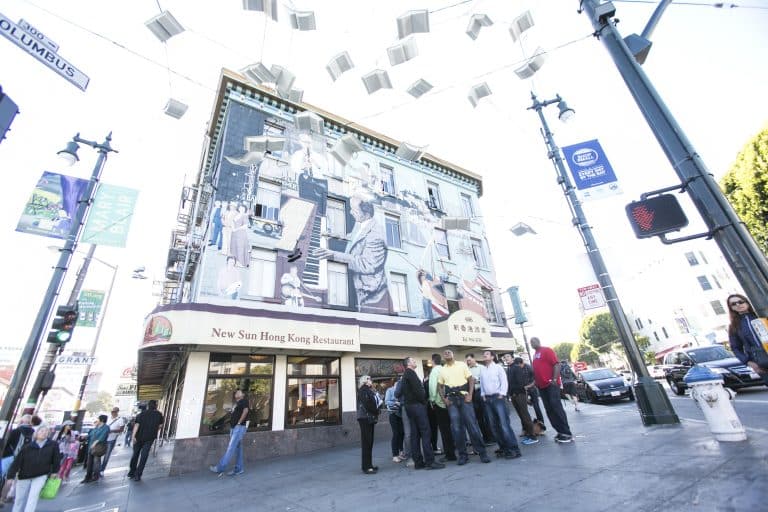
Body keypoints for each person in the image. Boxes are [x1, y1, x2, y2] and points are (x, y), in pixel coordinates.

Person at [314, 192, 390, 313]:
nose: (350, 212)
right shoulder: (361, 222)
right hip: (357, 283)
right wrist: (334, 235)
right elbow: (355, 238)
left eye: (354, 210)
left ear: (366, 213)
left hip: (369, 296)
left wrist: (333, 255)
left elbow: (366, 264)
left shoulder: (376, 235)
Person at [437, 349, 491, 465]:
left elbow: (470, 379)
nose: (447, 353)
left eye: (449, 352)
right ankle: (463, 455)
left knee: (472, 426)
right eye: (445, 353)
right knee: (457, 429)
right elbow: (439, 386)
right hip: (451, 400)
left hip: (464, 398)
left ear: (453, 354)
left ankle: (482, 453)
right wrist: (444, 399)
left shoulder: (462, 365)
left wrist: (470, 394)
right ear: (443, 357)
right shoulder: (442, 370)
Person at [401, 357, 444, 470]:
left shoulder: (405, 375)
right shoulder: (411, 374)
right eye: (413, 361)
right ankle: (430, 461)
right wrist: (424, 402)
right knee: (426, 432)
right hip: (417, 407)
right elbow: (418, 391)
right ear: (409, 363)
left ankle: (418, 462)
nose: (415, 362)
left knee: (415, 435)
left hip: (410, 407)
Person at [479, 350, 522, 459]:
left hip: (498, 397)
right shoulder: (483, 369)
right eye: (484, 354)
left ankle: (514, 449)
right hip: (487, 399)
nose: (484, 355)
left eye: (487, 354)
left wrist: (502, 394)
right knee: (493, 425)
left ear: (492, 357)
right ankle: (503, 448)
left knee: (504, 424)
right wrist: (483, 394)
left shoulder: (498, 367)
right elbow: (482, 383)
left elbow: (504, 381)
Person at [7, 425, 60, 512]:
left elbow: (56, 459)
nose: (44, 433)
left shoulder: (53, 445)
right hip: (24, 475)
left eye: (46, 431)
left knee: (33, 496)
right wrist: (11, 475)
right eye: (42, 431)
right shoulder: (27, 446)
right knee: (19, 499)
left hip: (41, 474)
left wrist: (55, 471)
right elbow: (18, 461)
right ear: (36, 433)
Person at [531, 337, 574, 443]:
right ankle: (559, 431)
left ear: (539, 341)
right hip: (541, 387)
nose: (532, 343)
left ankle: (567, 433)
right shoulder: (535, 355)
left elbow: (556, 364)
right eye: (531, 342)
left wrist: (554, 379)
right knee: (549, 409)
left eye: (534, 341)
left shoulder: (547, 350)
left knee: (556, 407)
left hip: (551, 385)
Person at [727, 293, 768, 385]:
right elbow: (735, 348)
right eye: (733, 304)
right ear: (731, 308)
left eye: (740, 302)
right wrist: (748, 362)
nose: (738, 305)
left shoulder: (761, 315)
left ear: (747, 302)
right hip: (761, 363)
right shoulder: (734, 326)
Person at [209, 389, 250, 476]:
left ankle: (220, 467)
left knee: (231, 448)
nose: (236, 393)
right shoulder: (237, 403)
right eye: (236, 392)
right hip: (234, 428)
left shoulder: (244, 401)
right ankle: (239, 469)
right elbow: (235, 413)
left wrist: (239, 423)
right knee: (238, 450)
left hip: (238, 428)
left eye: (239, 392)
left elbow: (245, 411)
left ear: (242, 395)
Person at [427, 353, 456, 462]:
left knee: (444, 430)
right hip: (450, 401)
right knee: (452, 427)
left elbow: (432, 387)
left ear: (432, 361)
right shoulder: (445, 369)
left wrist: (432, 400)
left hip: (440, 403)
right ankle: (454, 448)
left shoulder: (434, 371)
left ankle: (450, 454)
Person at [1, 415, 34, 504]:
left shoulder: (16, 431)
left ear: (22, 421)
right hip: (22, 459)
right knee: (11, 478)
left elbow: (7, 443)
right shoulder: (33, 432)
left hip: (9, 456)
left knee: (2, 475)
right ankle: (3, 498)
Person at [128, 400, 164, 482]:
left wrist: (133, 436)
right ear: (156, 406)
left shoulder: (141, 414)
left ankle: (131, 472)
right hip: (150, 438)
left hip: (138, 437)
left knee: (135, 455)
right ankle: (138, 475)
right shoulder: (159, 415)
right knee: (144, 456)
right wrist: (154, 430)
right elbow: (160, 426)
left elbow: (137, 425)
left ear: (148, 406)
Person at [507, 357, 539, 445]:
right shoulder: (509, 369)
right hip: (514, 395)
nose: (506, 359)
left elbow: (521, 382)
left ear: (512, 359)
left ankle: (533, 436)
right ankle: (528, 434)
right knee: (521, 415)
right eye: (504, 357)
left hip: (520, 394)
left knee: (525, 415)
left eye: (507, 357)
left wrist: (517, 391)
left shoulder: (517, 368)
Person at [466, 353, 494, 444]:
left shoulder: (481, 367)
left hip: (481, 392)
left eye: (469, 360)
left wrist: (476, 379)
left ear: (474, 359)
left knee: (487, 415)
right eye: (467, 360)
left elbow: (486, 379)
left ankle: (492, 437)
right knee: (479, 418)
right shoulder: (466, 369)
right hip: (472, 394)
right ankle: (485, 437)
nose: (468, 361)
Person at [356, 375, 379, 474]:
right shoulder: (363, 390)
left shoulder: (367, 390)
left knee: (369, 442)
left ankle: (369, 465)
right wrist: (376, 410)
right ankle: (366, 467)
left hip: (366, 418)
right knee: (367, 442)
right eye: (369, 379)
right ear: (365, 381)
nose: (371, 381)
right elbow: (368, 404)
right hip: (365, 418)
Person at [82, 415, 108, 483]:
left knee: (96, 461)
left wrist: (94, 443)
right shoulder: (96, 427)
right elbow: (91, 434)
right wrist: (86, 437)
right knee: (89, 462)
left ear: (101, 420)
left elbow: (102, 437)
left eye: (98, 419)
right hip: (90, 446)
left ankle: (95, 476)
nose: (97, 420)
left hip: (97, 447)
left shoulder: (106, 427)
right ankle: (88, 476)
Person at [101, 407, 126, 474]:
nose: (113, 412)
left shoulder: (120, 419)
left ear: (117, 412)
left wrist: (111, 431)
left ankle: (102, 469)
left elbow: (121, 429)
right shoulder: (108, 418)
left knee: (107, 455)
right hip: (103, 438)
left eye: (115, 411)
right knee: (99, 453)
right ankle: (97, 468)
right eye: (112, 411)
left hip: (111, 439)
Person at [384, 382, 405, 463]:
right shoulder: (389, 390)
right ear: (395, 385)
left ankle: (401, 452)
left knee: (402, 433)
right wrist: (395, 403)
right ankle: (395, 455)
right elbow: (386, 401)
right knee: (396, 434)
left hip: (400, 414)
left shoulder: (401, 390)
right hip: (393, 413)